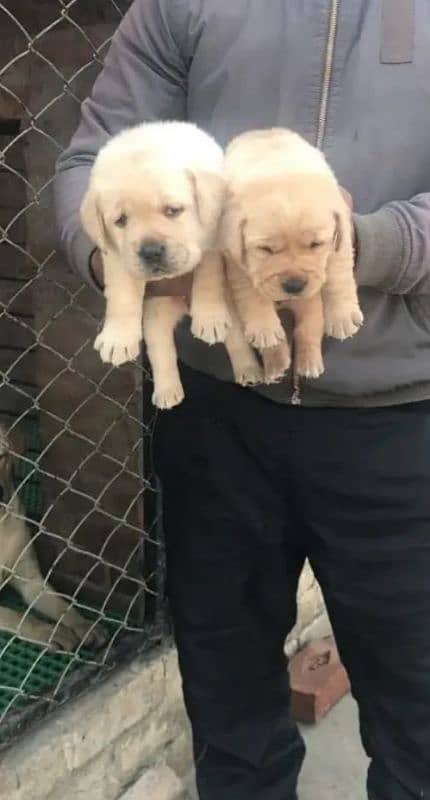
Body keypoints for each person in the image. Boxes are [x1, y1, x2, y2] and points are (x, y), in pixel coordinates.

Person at [54, 3, 430, 798]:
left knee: (420, 714)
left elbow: (361, 244)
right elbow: (89, 164)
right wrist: (131, 258)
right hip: (217, 409)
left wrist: (351, 246)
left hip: (404, 409)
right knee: (228, 711)